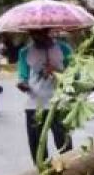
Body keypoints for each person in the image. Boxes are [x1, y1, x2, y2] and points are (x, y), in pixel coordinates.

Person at [17, 29, 73, 162]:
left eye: (38, 33)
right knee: (37, 149)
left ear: (47, 32)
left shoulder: (63, 49)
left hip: (59, 105)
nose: (34, 37)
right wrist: (23, 85)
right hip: (34, 105)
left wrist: (55, 70)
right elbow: (23, 76)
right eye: (32, 34)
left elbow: (74, 75)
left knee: (64, 145)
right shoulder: (25, 52)